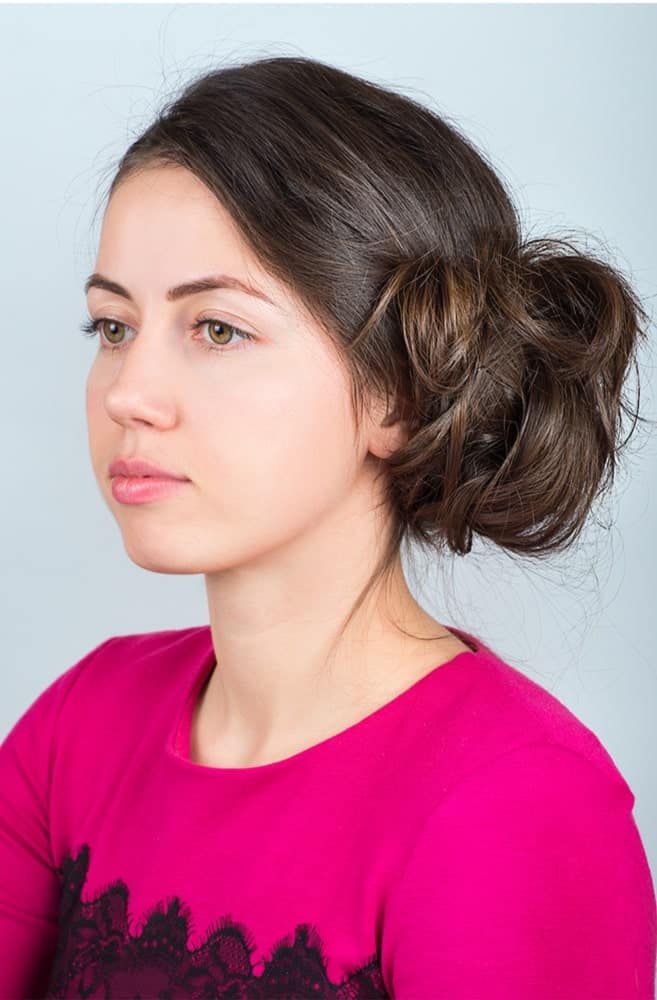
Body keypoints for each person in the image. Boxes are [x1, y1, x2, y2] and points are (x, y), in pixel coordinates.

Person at [1, 54, 655, 998]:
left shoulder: (515, 802)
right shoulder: (82, 724)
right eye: (112, 327)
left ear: (397, 387)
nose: (129, 394)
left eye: (217, 328)